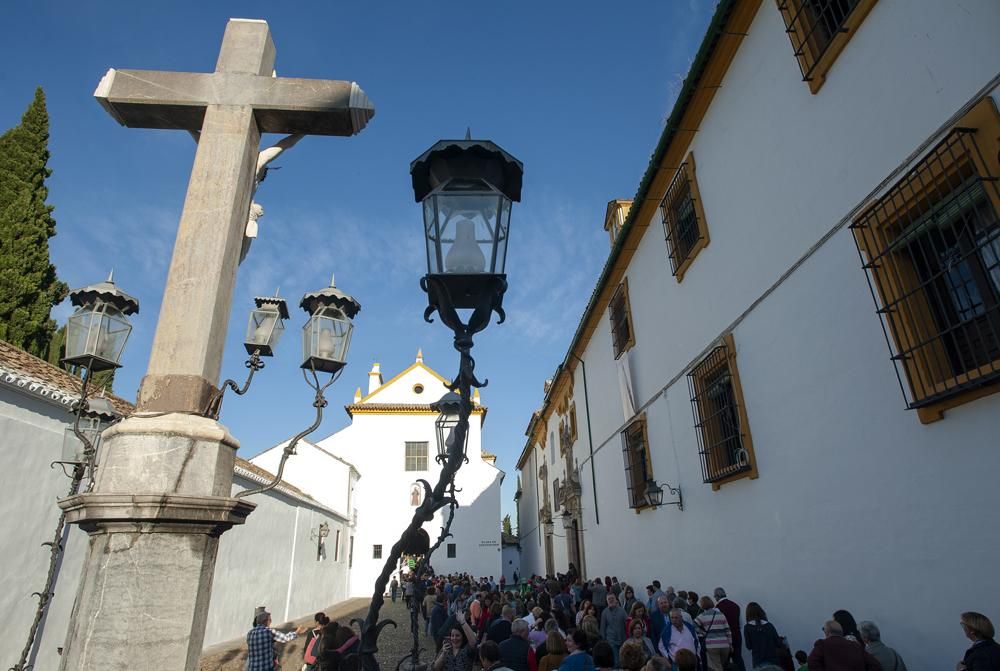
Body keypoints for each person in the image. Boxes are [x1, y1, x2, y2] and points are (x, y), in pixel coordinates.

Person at [807, 620, 880, 670]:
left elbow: (812, 662)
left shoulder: (822, 645)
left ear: (827, 632)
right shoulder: (856, 646)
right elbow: (875, 665)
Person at [696, 596, 733, 671]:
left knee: (717, 667)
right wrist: (730, 644)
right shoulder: (721, 615)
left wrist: (703, 633)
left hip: (711, 644)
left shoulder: (702, 616)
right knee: (722, 665)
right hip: (724, 644)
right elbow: (728, 630)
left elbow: (693, 625)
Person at [744, 602, 783, 670]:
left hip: (758, 661)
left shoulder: (747, 627)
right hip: (773, 660)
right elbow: (778, 643)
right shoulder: (769, 625)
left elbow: (749, 646)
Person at [715, 588, 745, 671]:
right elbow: (740, 623)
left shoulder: (717, 609)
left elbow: (717, 626)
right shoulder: (736, 606)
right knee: (738, 659)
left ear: (717, 596)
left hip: (724, 638)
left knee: (725, 662)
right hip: (736, 635)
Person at [600, 594, 628, 665]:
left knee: (623, 659)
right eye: (609, 599)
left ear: (616, 600)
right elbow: (602, 627)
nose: (611, 600)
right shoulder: (604, 612)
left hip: (622, 639)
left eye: (612, 598)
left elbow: (627, 624)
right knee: (616, 661)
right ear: (607, 601)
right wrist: (603, 640)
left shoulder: (622, 611)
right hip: (611, 639)